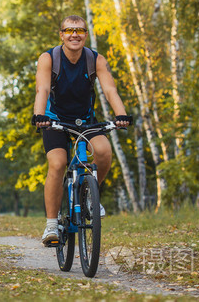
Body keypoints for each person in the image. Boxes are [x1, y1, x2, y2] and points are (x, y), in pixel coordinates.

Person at [32, 15, 131, 246]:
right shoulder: (49, 58)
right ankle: (51, 226)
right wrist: (40, 115)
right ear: (61, 35)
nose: (74, 34)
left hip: (85, 120)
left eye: (79, 30)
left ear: (86, 34)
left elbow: (110, 90)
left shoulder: (95, 59)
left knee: (104, 152)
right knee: (57, 163)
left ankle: (88, 197)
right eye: (69, 30)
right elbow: (42, 88)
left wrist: (121, 115)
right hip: (53, 119)